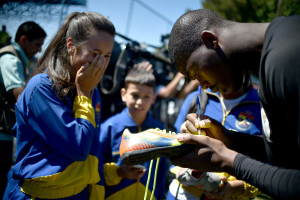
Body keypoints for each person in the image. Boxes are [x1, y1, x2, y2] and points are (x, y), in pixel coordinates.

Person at [167, 8, 300, 199]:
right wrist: (230, 140)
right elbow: (287, 160)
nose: (202, 85)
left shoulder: (288, 58)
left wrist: (227, 160)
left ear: (210, 41)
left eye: (195, 73)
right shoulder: (270, 65)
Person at [3, 12, 116, 199]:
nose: (101, 64)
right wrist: (84, 96)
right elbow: (78, 148)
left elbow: (92, 149)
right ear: (71, 45)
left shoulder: (90, 90)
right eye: (95, 54)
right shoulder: (41, 88)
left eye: (107, 56)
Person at [167, 78, 266, 199]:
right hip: (182, 193)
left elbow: (272, 169)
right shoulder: (196, 97)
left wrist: (238, 187)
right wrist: (182, 137)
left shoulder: (263, 107)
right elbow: (172, 145)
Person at [100, 69, 168, 200]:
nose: (139, 102)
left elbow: (161, 172)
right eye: (135, 95)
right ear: (123, 94)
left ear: (154, 97)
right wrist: (118, 172)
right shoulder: (109, 127)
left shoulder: (159, 130)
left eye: (146, 97)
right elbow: (96, 168)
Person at [0, 21, 46, 198]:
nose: (40, 50)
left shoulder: (19, 59)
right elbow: (20, 95)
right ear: (23, 40)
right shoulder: (10, 59)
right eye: (37, 45)